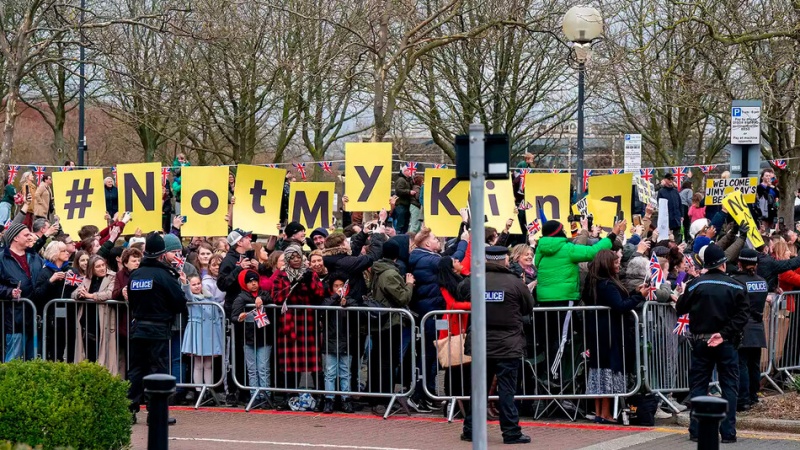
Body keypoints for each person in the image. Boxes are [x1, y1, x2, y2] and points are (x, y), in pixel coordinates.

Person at [676, 244, 749, 443]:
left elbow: (681, 307)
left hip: (700, 341)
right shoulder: (736, 286)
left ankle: (697, 430)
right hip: (726, 342)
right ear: (723, 264)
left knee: (699, 385)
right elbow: (743, 315)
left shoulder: (695, 284)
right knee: (729, 386)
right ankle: (728, 433)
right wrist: (724, 333)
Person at [462, 246, 534, 445]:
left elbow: (460, 291)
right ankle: (511, 432)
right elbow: (529, 306)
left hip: (480, 343)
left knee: (479, 390)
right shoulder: (514, 282)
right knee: (506, 391)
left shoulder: (475, 281)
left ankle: (471, 429)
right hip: (507, 345)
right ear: (504, 260)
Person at [127, 233, 186, 425]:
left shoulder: (135, 274)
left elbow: (132, 302)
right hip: (158, 330)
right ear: (162, 254)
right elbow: (179, 302)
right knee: (158, 371)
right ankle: (156, 413)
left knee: (136, 370)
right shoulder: (165, 275)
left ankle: (129, 410)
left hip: (138, 328)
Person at [583, 250, 647, 424]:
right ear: (606, 264)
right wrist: (639, 297)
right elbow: (619, 306)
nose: (619, 265)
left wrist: (634, 292)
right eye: (615, 262)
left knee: (599, 371)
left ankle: (599, 413)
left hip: (598, 332)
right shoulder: (607, 284)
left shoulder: (593, 282)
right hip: (610, 333)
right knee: (608, 372)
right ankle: (605, 414)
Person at [269, 244, 325, 409]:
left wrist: (308, 283)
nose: (295, 260)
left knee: (314, 362)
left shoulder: (310, 274)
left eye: (298, 257)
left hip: (308, 323)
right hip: (289, 324)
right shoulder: (281, 275)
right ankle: (288, 396)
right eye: (292, 257)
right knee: (289, 363)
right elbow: (276, 297)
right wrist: (293, 284)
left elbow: (319, 295)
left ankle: (319, 396)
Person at [216, 228, 254, 405]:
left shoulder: (248, 256)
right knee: (235, 352)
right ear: (239, 242)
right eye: (247, 238)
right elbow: (222, 284)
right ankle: (232, 389)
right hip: (235, 311)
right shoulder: (229, 260)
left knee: (247, 350)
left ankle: (245, 388)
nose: (250, 240)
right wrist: (238, 270)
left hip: (250, 309)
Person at [730, 248, 768, 412]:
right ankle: (753, 396)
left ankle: (743, 399)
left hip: (742, 327)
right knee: (754, 364)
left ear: (740, 263)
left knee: (742, 364)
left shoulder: (737, 282)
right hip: (758, 327)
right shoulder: (762, 281)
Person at [233, 269, 274, 408]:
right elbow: (233, 316)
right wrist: (240, 317)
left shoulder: (263, 293)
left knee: (263, 368)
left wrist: (262, 299)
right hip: (248, 338)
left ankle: (266, 394)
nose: (254, 284)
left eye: (255, 281)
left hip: (264, 337)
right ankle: (254, 395)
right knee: (252, 369)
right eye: (250, 282)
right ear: (245, 284)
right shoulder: (241, 298)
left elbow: (271, 298)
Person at [1, 223, 42, 361]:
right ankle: (7, 383)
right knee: (13, 359)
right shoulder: (2, 259)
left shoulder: (35, 257)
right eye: (26, 234)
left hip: (35, 316)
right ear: (15, 238)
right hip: (14, 318)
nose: (30, 237)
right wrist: (9, 292)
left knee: (34, 360)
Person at [72, 255, 119, 376]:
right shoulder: (87, 279)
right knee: (89, 354)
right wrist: (80, 294)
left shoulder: (113, 276)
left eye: (103, 265)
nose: (102, 268)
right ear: (92, 269)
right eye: (98, 266)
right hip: (87, 321)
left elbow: (110, 294)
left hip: (104, 320)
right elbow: (74, 293)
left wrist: (90, 296)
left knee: (104, 355)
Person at [182, 273, 225, 403]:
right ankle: (198, 391)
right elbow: (187, 294)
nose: (196, 286)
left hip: (210, 333)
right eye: (193, 284)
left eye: (198, 283)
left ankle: (209, 390)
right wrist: (185, 283)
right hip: (198, 331)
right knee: (198, 364)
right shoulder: (191, 298)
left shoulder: (210, 298)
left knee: (208, 364)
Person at [320, 272, 358, 414]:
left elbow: (357, 309)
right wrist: (336, 297)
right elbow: (324, 306)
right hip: (330, 341)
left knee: (345, 372)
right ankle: (328, 400)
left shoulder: (350, 299)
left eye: (341, 285)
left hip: (346, 341)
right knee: (330, 372)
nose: (339, 288)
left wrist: (346, 302)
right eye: (336, 286)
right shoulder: (329, 299)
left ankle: (345, 399)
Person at [657, 172, 683, 244]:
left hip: (676, 218)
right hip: (667, 219)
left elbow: (680, 203)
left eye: (672, 179)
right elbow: (660, 205)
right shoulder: (661, 191)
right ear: (665, 180)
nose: (671, 181)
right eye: (669, 179)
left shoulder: (675, 191)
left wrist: (681, 215)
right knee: (667, 238)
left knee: (677, 237)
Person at [393, 165, 416, 234]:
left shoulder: (407, 180)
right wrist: (409, 192)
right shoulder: (401, 180)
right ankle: (398, 234)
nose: (409, 172)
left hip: (405, 205)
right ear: (404, 172)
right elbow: (398, 190)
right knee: (400, 223)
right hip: (401, 205)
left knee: (405, 223)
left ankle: (402, 234)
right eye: (408, 171)